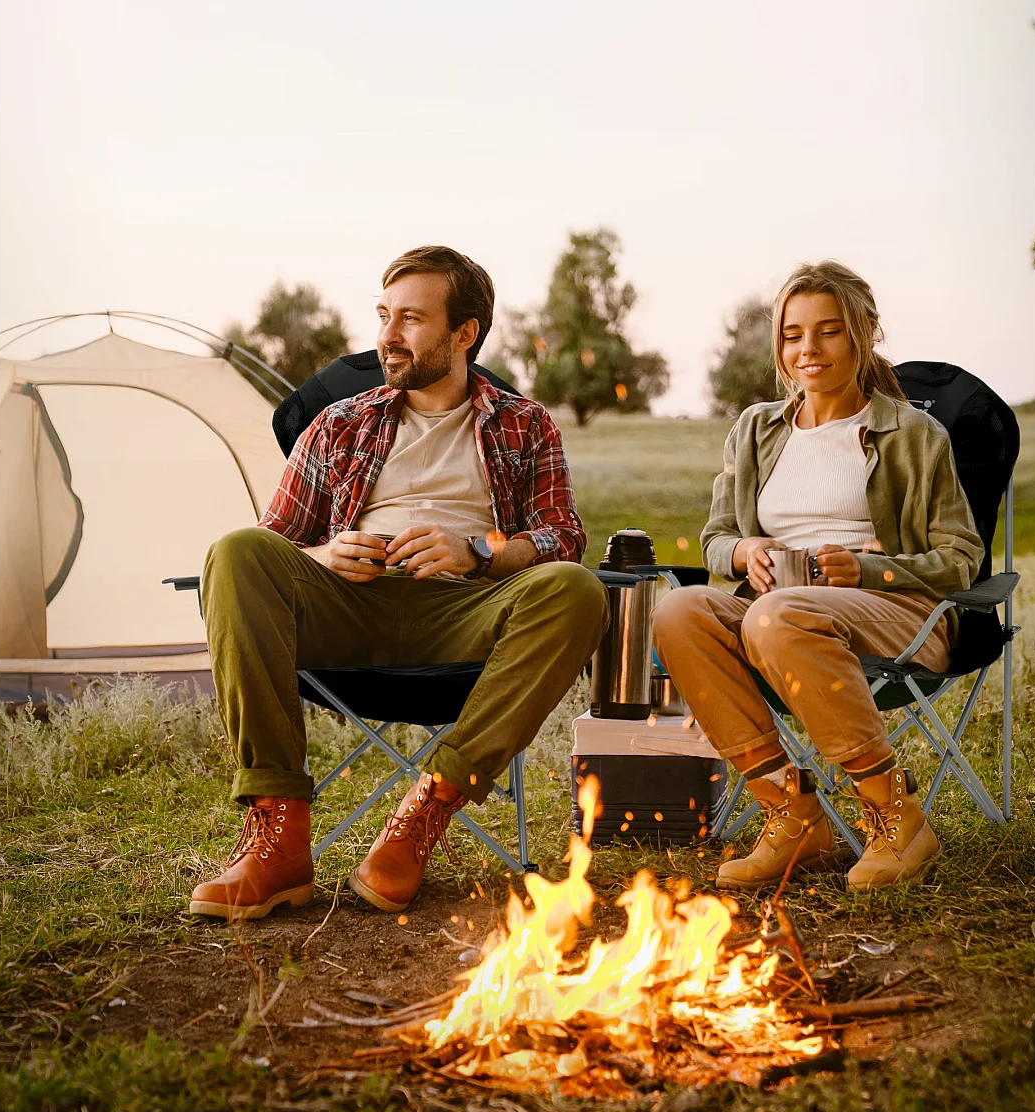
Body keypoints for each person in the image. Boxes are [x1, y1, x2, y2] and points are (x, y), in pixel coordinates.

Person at [190, 246, 609, 921]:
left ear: (465, 332)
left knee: (576, 589)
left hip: (468, 612)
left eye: (411, 318)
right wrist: (324, 555)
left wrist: (478, 551)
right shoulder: (340, 422)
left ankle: (426, 810)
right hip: (348, 606)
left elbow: (562, 537)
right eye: (384, 315)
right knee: (236, 552)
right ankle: (278, 836)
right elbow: (275, 540)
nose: (387, 335)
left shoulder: (525, 424)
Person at [652, 261, 983, 892]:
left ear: (863, 334)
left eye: (829, 331)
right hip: (775, 615)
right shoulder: (755, 429)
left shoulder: (914, 435)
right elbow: (716, 538)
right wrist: (744, 552)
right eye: (793, 334)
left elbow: (960, 556)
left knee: (776, 615)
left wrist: (865, 568)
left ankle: (898, 818)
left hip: (897, 615)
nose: (809, 348)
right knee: (679, 613)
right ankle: (793, 816)